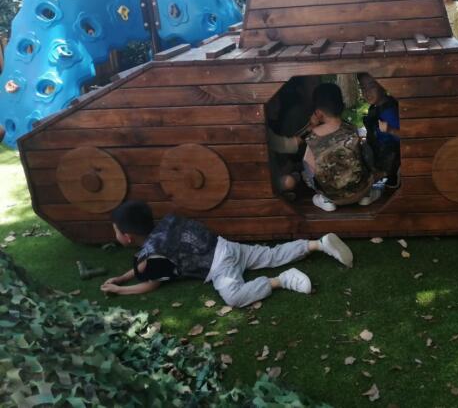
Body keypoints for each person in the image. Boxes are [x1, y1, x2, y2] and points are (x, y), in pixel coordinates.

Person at [100, 200, 354, 308]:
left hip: (219, 267)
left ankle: (282, 280)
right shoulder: (167, 222)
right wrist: (122, 278)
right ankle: (317, 244)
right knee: (270, 255)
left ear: (127, 237)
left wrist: (120, 290)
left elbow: (150, 283)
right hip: (226, 247)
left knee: (234, 297)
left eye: (115, 231)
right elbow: (143, 267)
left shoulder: (154, 252)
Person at [302, 83, 380, 212]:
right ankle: (366, 195)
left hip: (333, 197)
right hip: (360, 191)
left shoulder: (312, 137)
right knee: (365, 148)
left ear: (318, 113)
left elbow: (309, 165)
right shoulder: (352, 129)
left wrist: (313, 126)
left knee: (306, 161)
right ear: (342, 107)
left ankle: (325, 200)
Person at [357, 73, 400, 188]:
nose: (367, 92)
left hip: (391, 164)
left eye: (372, 86)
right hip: (378, 155)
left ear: (383, 86)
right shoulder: (376, 107)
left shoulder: (389, 112)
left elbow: (406, 139)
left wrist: (390, 130)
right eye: (363, 88)